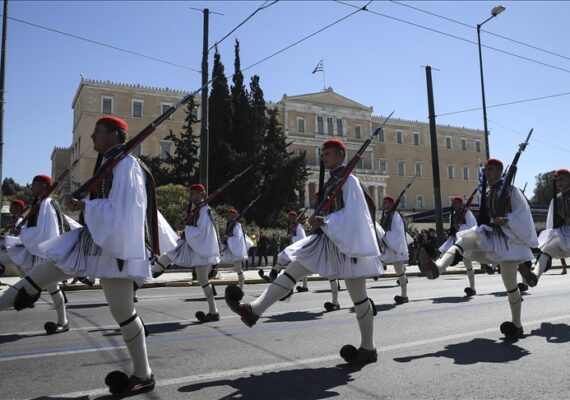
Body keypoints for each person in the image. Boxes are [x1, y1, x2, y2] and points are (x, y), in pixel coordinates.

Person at [0, 116, 178, 396]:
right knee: (36, 278)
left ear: (114, 135)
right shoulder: (112, 162)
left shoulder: (126, 165)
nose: (93, 137)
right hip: (92, 240)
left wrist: (86, 205)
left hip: (113, 248)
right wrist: (85, 204)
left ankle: (143, 375)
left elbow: (124, 211)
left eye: (98, 132)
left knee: (123, 312)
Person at [225, 138, 383, 365]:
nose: (324, 158)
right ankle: (254, 310)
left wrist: (324, 220)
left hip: (347, 245)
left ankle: (368, 348)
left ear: (341, 155)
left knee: (358, 297)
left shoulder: (349, 180)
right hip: (326, 240)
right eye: (323, 154)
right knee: (292, 271)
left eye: (328, 154)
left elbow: (355, 214)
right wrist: (321, 220)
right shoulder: (334, 180)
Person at [419, 158, 538, 340]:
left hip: (508, 240)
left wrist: (507, 220)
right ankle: (438, 267)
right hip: (489, 233)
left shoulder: (511, 191)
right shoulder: (488, 192)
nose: (487, 173)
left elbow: (523, 215)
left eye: (491, 170)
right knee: (464, 239)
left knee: (510, 286)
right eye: (486, 170)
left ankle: (517, 324)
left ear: (499, 171)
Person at [4, 176, 78, 334]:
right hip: (36, 250)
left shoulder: (47, 203)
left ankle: (63, 322)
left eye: (34, 184)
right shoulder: (40, 203)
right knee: (52, 287)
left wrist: (22, 231)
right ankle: (63, 321)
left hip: (44, 252)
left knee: (52, 287)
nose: (31, 187)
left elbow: (46, 233)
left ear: (44, 186)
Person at [164, 183, 221, 323]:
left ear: (201, 194)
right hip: (197, 248)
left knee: (203, 280)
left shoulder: (204, 210)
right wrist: (185, 228)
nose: (190, 196)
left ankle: (214, 312)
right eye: (190, 193)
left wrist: (186, 228)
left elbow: (202, 232)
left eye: (193, 193)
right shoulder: (198, 210)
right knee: (203, 280)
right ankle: (214, 312)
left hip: (202, 249)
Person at [520, 168, 570, 286]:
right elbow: (552, 220)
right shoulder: (556, 199)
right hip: (564, 233)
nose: (559, 182)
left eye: (562, 179)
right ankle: (534, 276)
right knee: (547, 250)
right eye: (557, 180)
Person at [437, 196, 478, 296]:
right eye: (454, 203)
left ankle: (472, 288)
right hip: (456, 238)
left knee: (467, 263)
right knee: (444, 253)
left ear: (461, 204)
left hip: (466, 239)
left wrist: (459, 227)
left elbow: (471, 227)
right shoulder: (452, 215)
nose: (455, 205)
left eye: (456, 203)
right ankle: (437, 267)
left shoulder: (467, 213)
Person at [379, 195, 410, 304]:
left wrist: (383, 235)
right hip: (391, 246)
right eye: (383, 202)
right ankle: (404, 295)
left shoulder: (395, 216)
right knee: (399, 271)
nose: (383, 204)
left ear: (392, 204)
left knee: (400, 271)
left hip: (396, 247)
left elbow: (397, 233)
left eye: (386, 202)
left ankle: (404, 295)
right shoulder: (388, 215)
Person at [220, 208, 248, 290]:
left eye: (233, 215)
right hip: (232, 248)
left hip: (236, 249)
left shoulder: (236, 225)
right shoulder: (230, 224)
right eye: (230, 215)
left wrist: (228, 238)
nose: (231, 216)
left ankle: (241, 288)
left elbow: (238, 238)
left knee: (239, 270)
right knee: (238, 269)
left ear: (235, 216)